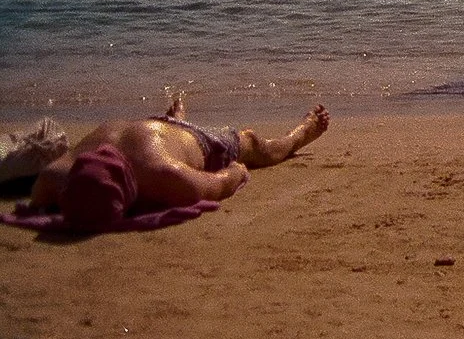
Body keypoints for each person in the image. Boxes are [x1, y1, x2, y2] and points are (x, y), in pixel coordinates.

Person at [18, 97, 331, 232]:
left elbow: (228, 178)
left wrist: (236, 168)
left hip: (184, 139)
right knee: (179, 133)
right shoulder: (54, 176)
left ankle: (300, 134)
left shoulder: (162, 174)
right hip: (155, 133)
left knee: (256, 146)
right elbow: (227, 179)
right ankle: (174, 120)